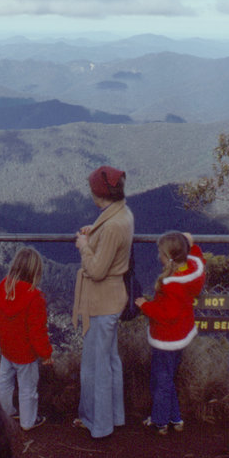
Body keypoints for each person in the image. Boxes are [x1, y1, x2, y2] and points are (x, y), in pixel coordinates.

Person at [72, 165, 135, 439]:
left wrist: (85, 246)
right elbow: (110, 240)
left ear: (99, 193)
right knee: (109, 361)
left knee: (96, 366)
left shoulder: (112, 226)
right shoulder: (122, 213)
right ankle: (113, 418)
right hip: (112, 298)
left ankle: (98, 425)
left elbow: (96, 270)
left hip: (102, 301)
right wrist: (92, 233)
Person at [134, 232, 206, 434]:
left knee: (161, 381)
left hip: (166, 338)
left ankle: (160, 422)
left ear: (167, 257)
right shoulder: (191, 273)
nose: (158, 256)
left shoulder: (172, 284)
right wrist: (192, 246)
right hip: (181, 335)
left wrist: (145, 306)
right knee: (169, 378)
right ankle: (176, 419)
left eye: (160, 252)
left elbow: (167, 314)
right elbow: (199, 264)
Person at [0, 247, 53, 431]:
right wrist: (46, 353)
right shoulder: (35, 298)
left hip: (6, 348)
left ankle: (4, 413)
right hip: (26, 354)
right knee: (27, 389)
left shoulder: (4, 286)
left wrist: (5, 327)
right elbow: (37, 332)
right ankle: (28, 422)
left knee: (5, 382)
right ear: (36, 271)